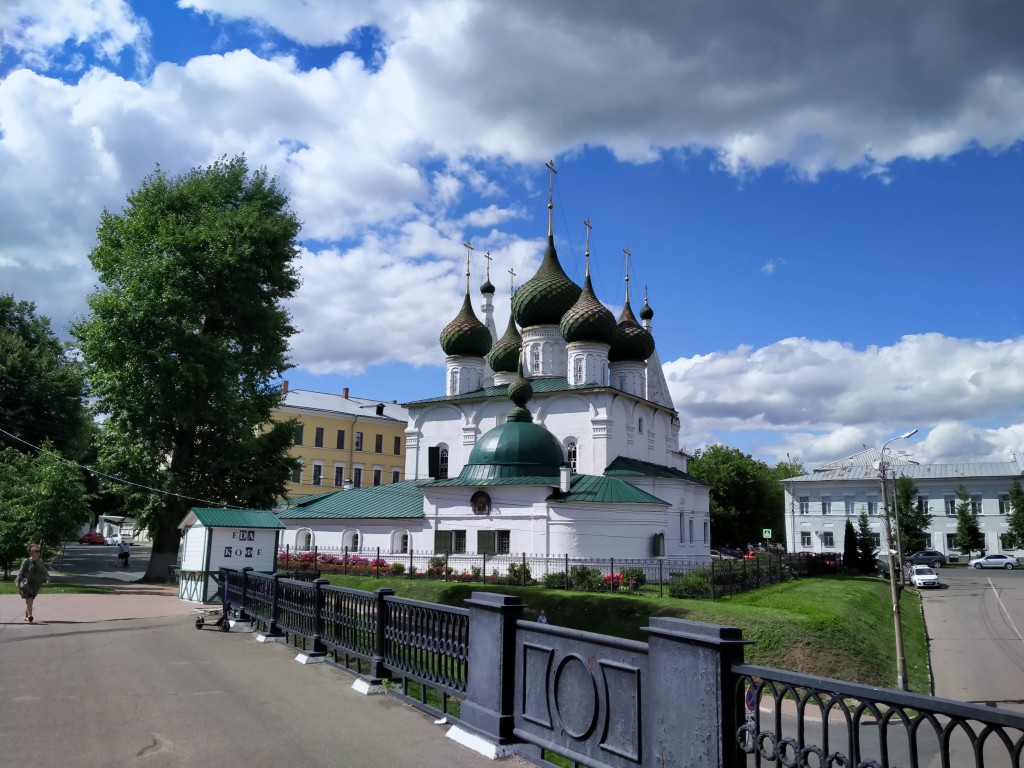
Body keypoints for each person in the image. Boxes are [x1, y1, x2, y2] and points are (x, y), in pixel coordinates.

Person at [17, 543, 49, 623]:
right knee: (29, 600)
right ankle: (30, 616)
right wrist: (18, 581)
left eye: (39, 551)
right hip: (27, 583)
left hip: (36, 584)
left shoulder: (40, 561)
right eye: (36, 551)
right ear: (31, 552)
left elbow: (44, 571)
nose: (38, 553)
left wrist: (47, 578)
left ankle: (26, 615)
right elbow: (21, 572)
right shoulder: (26, 561)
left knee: (29, 601)